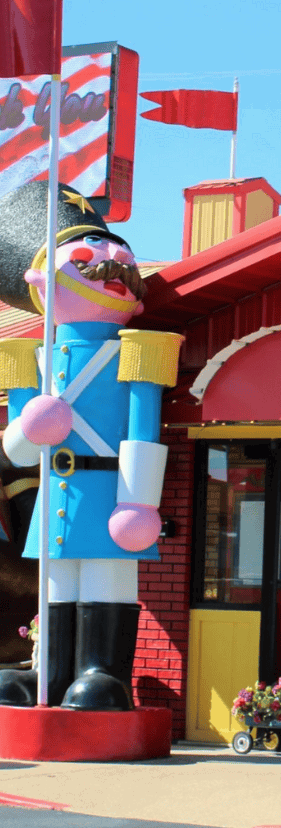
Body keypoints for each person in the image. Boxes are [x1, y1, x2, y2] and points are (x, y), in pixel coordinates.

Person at [0, 181, 183, 710]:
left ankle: (104, 673)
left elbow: (142, 426)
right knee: (56, 588)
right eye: (88, 254)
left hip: (110, 490)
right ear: (40, 284)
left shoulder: (139, 351)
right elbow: (13, 454)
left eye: (119, 253)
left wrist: (139, 502)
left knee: (106, 581)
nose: (111, 263)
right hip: (57, 493)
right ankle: (51, 677)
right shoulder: (26, 359)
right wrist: (29, 428)